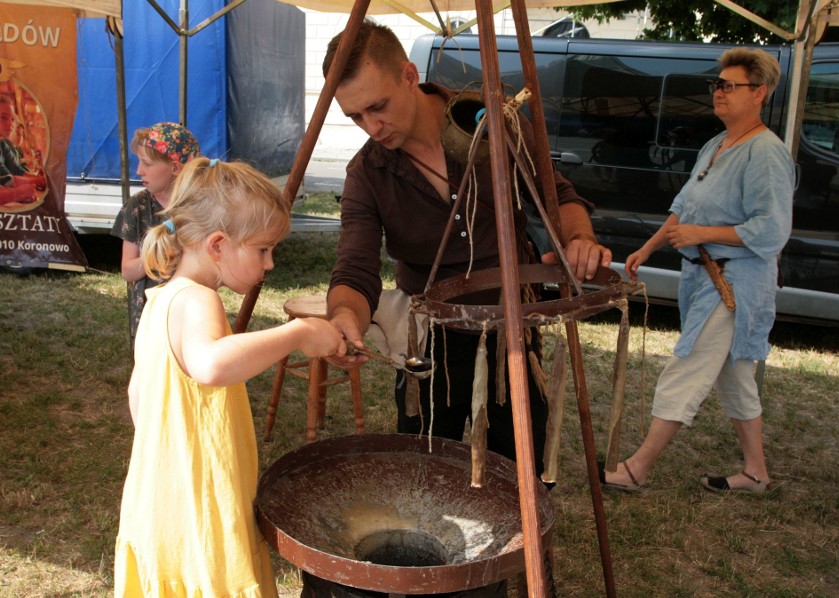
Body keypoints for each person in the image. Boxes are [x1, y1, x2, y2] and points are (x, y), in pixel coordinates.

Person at [322, 19, 611, 477]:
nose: (371, 127)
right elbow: (355, 269)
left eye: (378, 107)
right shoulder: (367, 174)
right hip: (428, 338)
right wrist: (344, 319)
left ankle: (522, 548)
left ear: (410, 75)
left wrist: (579, 240)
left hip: (512, 329)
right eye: (356, 117)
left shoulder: (492, 122)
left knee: (520, 469)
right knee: (426, 470)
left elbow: (559, 198)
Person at [114, 157, 347, 596]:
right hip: (199, 513)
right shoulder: (199, 301)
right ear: (218, 245)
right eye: (263, 249)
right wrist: (297, 332)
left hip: (160, 505)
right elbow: (212, 364)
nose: (270, 263)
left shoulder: (159, 299)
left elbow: (138, 396)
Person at [600, 48, 793, 494]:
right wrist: (647, 248)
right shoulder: (717, 145)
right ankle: (756, 472)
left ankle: (636, 468)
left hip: (735, 285)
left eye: (730, 85)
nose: (719, 92)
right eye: (717, 84)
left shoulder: (766, 153)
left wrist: (703, 232)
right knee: (734, 375)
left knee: (686, 368)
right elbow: (684, 209)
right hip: (704, 278)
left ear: (759, 93)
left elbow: (771, 230)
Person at [111, 122, 200, 347]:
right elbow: (128, 271)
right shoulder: (138, 206)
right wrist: (159, 253)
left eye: (147, 163)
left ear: (175, 168)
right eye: (139, 162)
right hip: (151, 318)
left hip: (192, 312)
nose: (139, 170)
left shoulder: (199, 206)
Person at [0, 95, 45, 207]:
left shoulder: (2, 143)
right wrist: (17, 194)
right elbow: (9, 181)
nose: (10, 124)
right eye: (3, 117)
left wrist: (39, 181)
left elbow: (9, 177)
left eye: (12, 119)